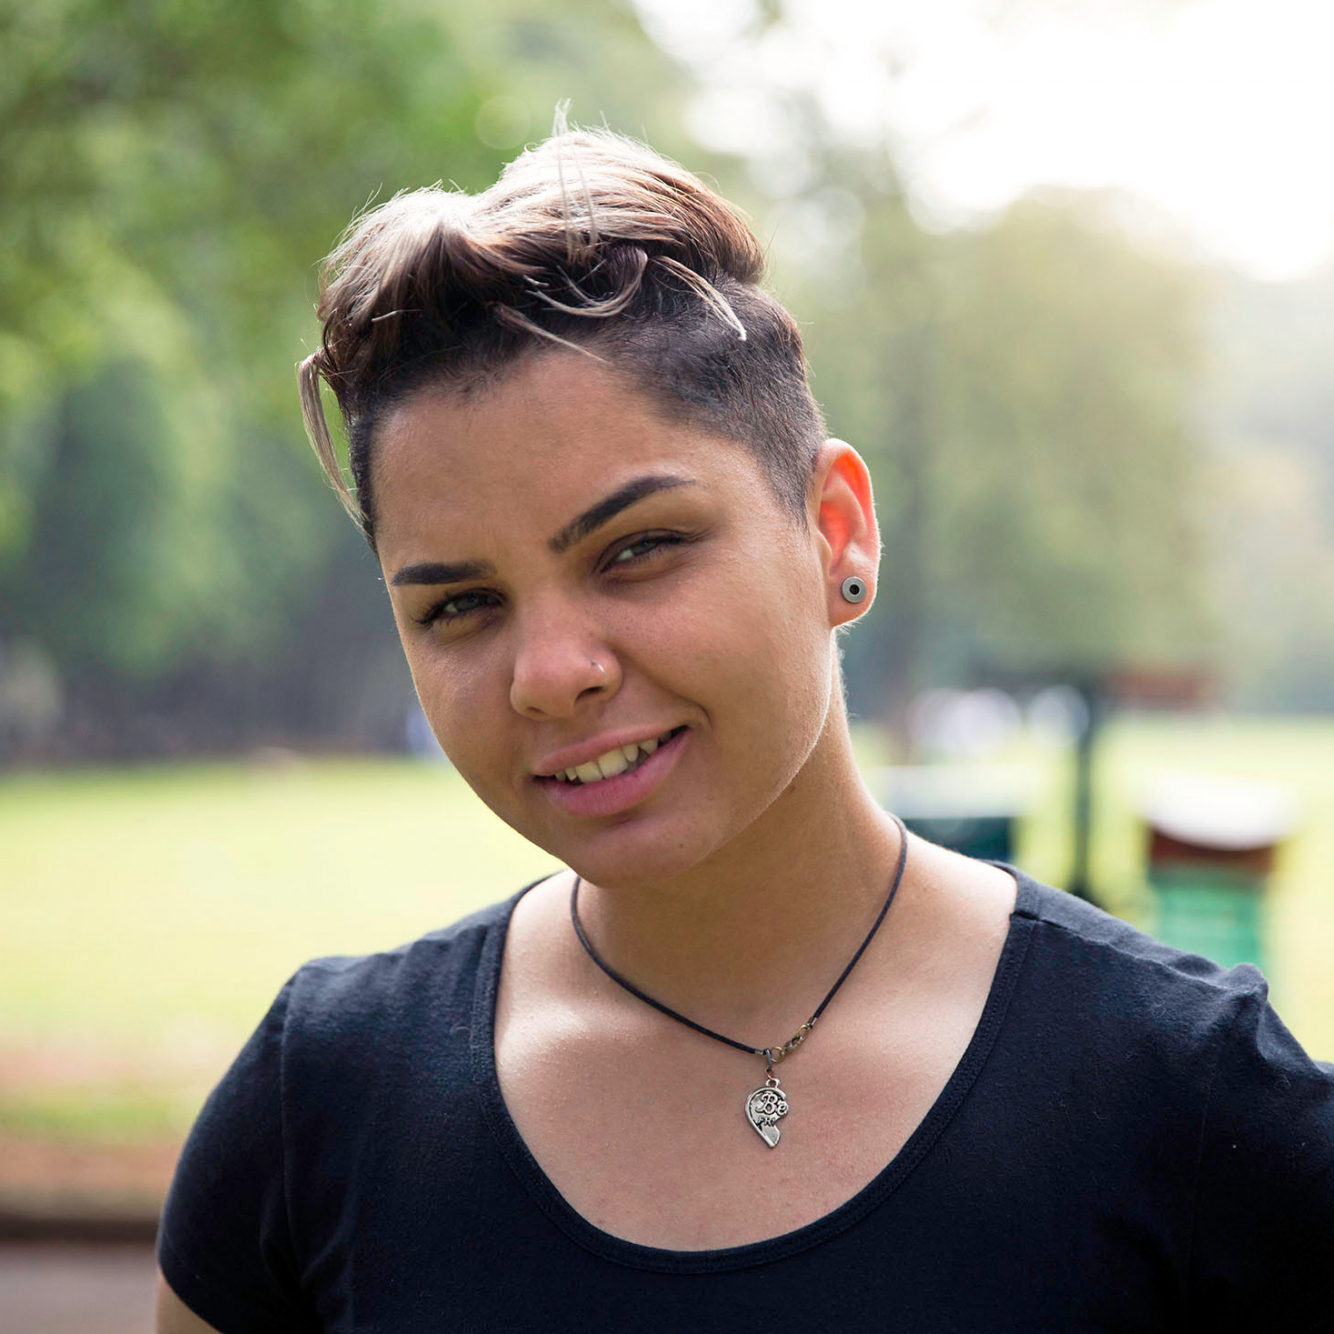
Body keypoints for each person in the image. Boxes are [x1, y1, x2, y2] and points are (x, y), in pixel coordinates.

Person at [155, 126, 1334, 1333]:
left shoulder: (1192, 1101)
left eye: (638, 548)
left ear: (836, 531)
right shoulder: (323, 1102)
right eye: (461, 604)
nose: (551, 674)